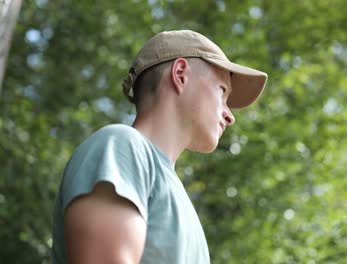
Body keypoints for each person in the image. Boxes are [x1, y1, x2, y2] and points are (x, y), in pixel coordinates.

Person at [51, 29, 268, 264]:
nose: (230, 116)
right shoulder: (121, 147)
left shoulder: (179, 198)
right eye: (222, 91)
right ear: (181, 74)